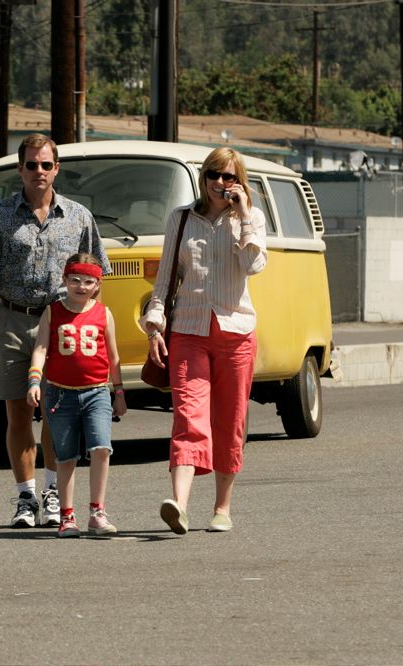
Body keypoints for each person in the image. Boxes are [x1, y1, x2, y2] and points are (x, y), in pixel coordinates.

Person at [0, 133, 110, 528]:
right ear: (20, 169)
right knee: (16, 412)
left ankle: (52, 492)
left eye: (46, 165)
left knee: (55, 412)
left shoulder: (79, 216)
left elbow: (98, 272)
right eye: (31, 165)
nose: (39, 172)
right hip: (12, 320)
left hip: (61, 321)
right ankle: (25, 496)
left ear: (57, 168)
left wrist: (92, 320)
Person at [141, 146, 268, 535]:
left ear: (240, 182)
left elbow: (254, 265)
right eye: (214, 175)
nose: (221, 184)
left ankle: (222, 508)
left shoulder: (252, 218)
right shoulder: (181, 219)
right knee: (188, 418)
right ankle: (178, 504)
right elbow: (164, 280)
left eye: (229, 177)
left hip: (236, 334)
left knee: (230, 421)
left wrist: (244, 215)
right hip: (189, 332)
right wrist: (155, 324)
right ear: (204, 177)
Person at [26, 254, 127, 538]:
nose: (81, 287)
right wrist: (34, 381)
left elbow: (114, 357)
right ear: (65, 280)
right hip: (60, 394)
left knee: (101, 448)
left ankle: (97, 512)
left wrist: (118, 392)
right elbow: (41, 349)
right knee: (66, 456)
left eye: (88, 282)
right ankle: (67, 516)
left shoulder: (103, 313)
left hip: (97, 392)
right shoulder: (53, 311)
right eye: (75, 281)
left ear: (97, 284)